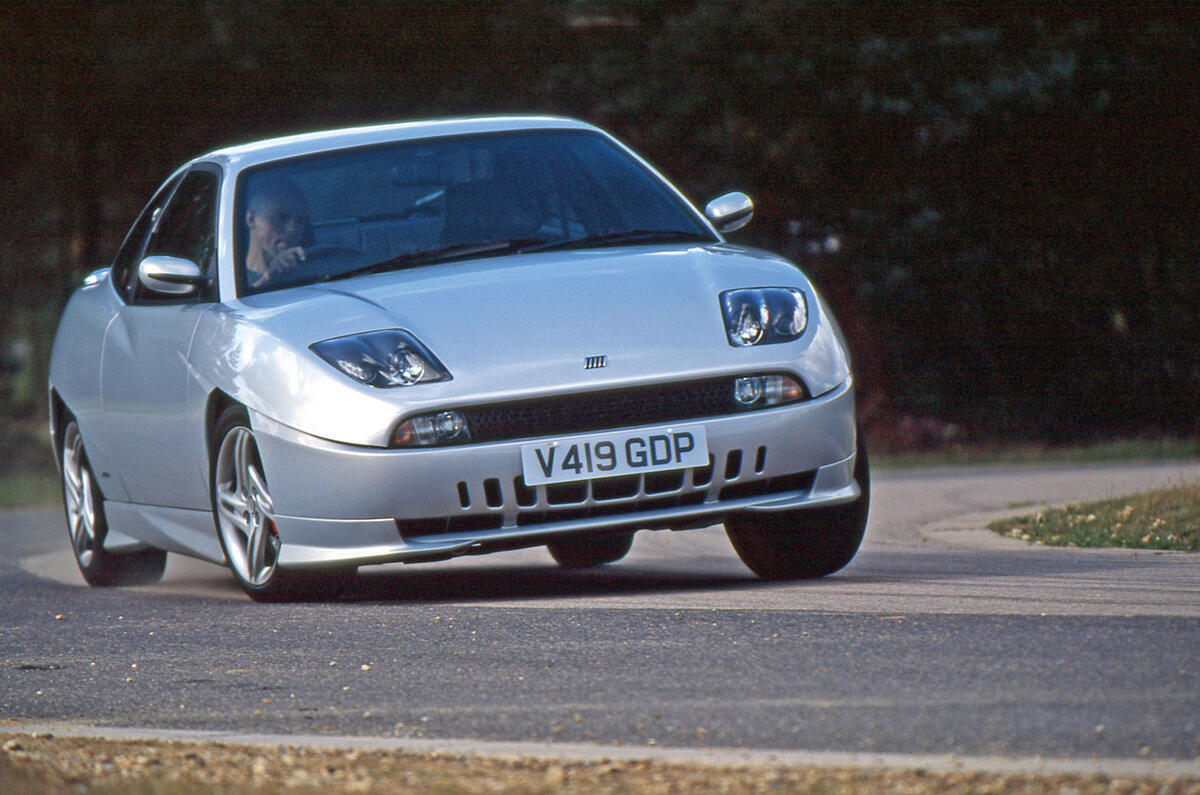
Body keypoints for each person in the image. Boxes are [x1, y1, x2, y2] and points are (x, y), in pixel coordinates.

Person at [244, 176, 310, 288]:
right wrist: (267, 280)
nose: (292, 229)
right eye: (281, 218)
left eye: (300, 221)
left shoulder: (314, 274)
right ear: (251, 219)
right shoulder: (227, 279)